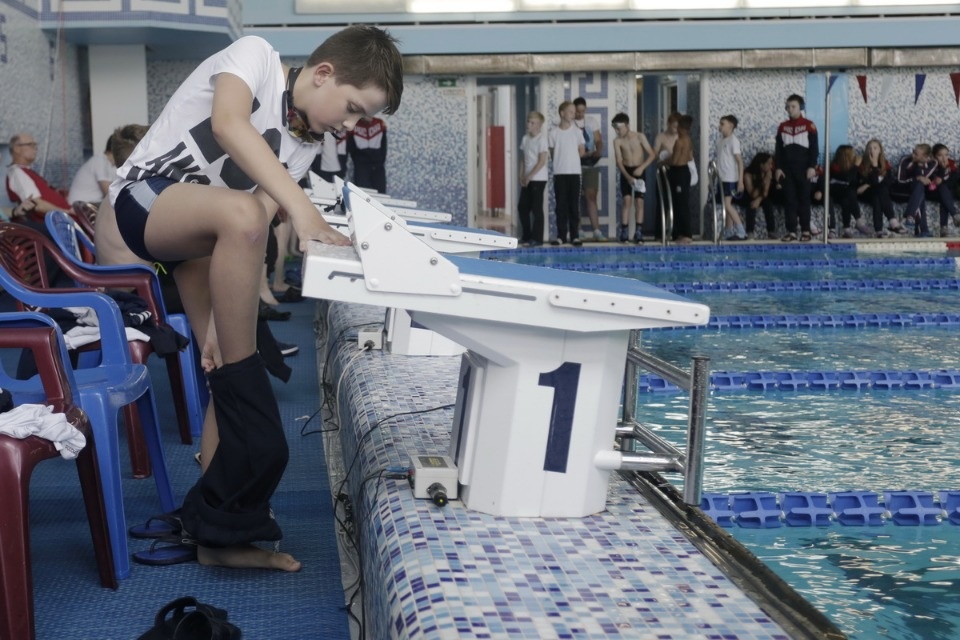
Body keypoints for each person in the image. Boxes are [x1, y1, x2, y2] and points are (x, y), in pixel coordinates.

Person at [108, 25, 403, 572]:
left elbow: (258, 223)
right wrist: (307, 213)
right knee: (241, 221)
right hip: (146, 197)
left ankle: (218, 530)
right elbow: (228, 124)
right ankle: (236, 493)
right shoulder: (258, 56)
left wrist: (226, 317)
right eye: (352, 109)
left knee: (227, 368)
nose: (347, 126)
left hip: (213, 239)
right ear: (323, 74)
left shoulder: (305, 143)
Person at [774, 94, 818, 242]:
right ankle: (791, 231)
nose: (790, 109)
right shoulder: (782, 126)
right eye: (788, 106)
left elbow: (814, 148)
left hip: (804, 169)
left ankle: (806, 230)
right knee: (789, 200)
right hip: (787, 170)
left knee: (804, 200)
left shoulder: (809, 125)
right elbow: (778, 150)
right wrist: (778, 168)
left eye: (793, 106)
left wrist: (812, 166)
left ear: (801, 107)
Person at [5, 132, 72, 222]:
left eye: (35, 145)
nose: (35, 149)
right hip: (55, 223)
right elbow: (37, 205)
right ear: (17, 149)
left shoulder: (26, 171)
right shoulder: (17, 173)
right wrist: (67, 212)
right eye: (30, 145)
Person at [610, 112, 654, 243]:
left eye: (619, 128)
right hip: (626, 171)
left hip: (639, 171)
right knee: (627, 201)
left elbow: (652, 154)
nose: (617, 131)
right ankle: (624, 231)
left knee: (639, 202)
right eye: (615, 129)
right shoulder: (617, 141)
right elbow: (619, 161)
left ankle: (638, 232)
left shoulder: (639, 136)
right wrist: (628, 177)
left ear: (627, 125)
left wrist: (642, 167)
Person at [548, 101, 585, 246]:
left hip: (574, 173)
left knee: (573, 206)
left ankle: (574, 235)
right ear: (562, 113)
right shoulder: (553, 133)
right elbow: (551, 152)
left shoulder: (577, 132)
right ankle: (561, 236)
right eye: (570, 111)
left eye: (574, 111)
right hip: (559, 173)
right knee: (561, 206)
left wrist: (573, 158)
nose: (573, 114)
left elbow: (581, 150)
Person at [856, 138, 903, 238]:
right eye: (870, 148)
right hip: (865, 194)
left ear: (880, 150)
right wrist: (874, 165)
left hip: (877, 192)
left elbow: (888, 181)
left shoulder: (885, 164)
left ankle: (879, 230)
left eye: (875, 148)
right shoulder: (862, 164)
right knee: (879, 190)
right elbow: (869, 182)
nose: (872, 150)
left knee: (878, 195)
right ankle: (892, 220)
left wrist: (869, 183)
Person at [573, 97, 605, 241]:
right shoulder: (570, 123)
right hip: (575, 164)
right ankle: (578, 230)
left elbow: (598, 140)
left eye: (582, 111)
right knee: (575, 199)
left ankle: (596, 230)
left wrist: (598, 151)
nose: (580, 114)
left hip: (591, 163)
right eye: (577, 111)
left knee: (591, 196)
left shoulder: (592, 121)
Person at [517, 110, 548, 246]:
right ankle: (526, 235)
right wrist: (521, 175)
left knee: (536, 208)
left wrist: (529, 176)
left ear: (539, 125)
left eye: (532, 122)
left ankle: (537, 238)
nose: (529, 124)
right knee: (522, 207)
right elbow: (523, 159)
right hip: (528, 178)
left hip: (539, 179)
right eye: (528, 121)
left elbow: (542, 161)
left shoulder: (542, 140)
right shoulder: (525, 138)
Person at [893, 143, 937, 237]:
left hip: (917, 191)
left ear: (925, 157)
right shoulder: (905, 160)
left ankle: (911, 218)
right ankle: (921, 228)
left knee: (920, 189)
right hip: (900, 190)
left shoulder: (932, 163)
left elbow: (924, 178)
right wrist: (916, 178)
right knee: (920, 190)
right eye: (913, 151)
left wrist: (920, 165)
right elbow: (900, 181)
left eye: (916, 154)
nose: (913, 155)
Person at [714, 115, 746, 241]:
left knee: (727, 205)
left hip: (731, 178)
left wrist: (740, 181)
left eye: (722, 124)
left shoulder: (733, 140)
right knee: (726, 204)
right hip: (722, 178)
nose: (719, 126)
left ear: (731, 126)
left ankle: (741, 231)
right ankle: (728, 231)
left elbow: (740, 162)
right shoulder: (720, 141)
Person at [666, 114, 694, 244]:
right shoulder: (688, 140)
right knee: (680, 203)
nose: (676, 130)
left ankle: (686, 234)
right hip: (685, 172)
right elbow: (689, 157)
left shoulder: (679, 141)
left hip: (678, 172)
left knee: (680, 204)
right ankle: (679, 234)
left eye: (678, 128)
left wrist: (664, 162)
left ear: (683, 129)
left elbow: (675, 161)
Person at [737, 152, 777, 240]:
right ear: (761, 165)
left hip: (761, 196)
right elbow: (753, 194)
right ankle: (750, 232)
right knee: (751, 205)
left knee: (768, 203)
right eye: (768, 164)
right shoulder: (748, 174)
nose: (771, 166)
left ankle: (771, 231)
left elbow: (765, 193)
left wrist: (759, 200)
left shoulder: (768, 173)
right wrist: (763, 180)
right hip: (747, 195)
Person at [826, 144, 863, 238]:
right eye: (852, 154)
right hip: (833, 192)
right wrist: (855, 166)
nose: (855, 156)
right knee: (849, 192)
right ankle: (858, 220)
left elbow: (854, 182)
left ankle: (846, 229)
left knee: (847, 200)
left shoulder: (852, 168)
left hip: (844, 194)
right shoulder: (835, 166)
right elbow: (847, 178)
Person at [68, 135, 116, 205]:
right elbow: (109, 194)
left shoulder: (112, 165)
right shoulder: (99, 161)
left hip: (91, 203)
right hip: (81, 205)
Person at [347, 115, 387, 194]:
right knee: (362, 192)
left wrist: (380, 160)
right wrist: (357, 160)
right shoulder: (354, 125)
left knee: (381, 192)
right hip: (361, 165)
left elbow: (384, 145)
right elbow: (351, 146)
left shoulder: (380, 123)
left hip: (378, 164)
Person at [929, 143, 960, 236]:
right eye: (940, 155)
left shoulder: (952, 164)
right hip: (933, 192)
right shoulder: (932, 166)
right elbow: (935, 182)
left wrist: (943, 181)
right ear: (934, 156)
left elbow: (954, 179)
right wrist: (942, 168)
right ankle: (955, 215)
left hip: (947, 192)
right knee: (942, 189)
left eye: (946, 155)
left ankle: (944, 228)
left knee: (944, 195)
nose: (944, 158)